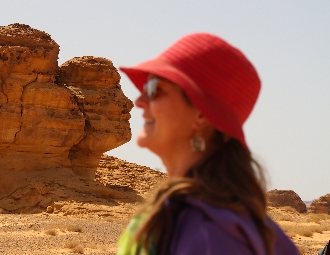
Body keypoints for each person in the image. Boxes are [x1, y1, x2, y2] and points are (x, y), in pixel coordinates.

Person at [117, 33, 299, 255]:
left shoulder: (209, 236)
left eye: (155, 88)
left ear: (202, 116)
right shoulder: (209, 221)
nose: (139, 101)